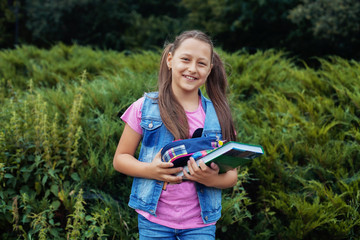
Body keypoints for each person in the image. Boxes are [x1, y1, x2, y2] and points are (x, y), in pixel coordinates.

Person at [113, 30, 238, 240]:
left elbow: (231, 176)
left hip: (200, 224)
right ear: (170, 60)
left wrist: (211, 179)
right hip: (153, 221)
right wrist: (150, 170)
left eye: (201, 63)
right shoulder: (144, 108)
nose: (192, 68)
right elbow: (120, 159)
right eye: (185, 59)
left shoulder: (219, 116)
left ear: (210, 69)